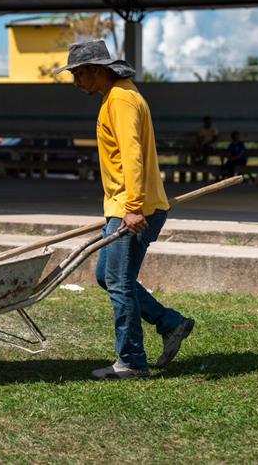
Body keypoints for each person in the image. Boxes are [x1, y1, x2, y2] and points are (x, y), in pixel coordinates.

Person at [54, 40, 194, 380]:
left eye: (79, 74)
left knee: (118, 281)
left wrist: (132, 208)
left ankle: (131, 361)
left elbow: (132, 154)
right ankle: (170, 323)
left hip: (133, 209)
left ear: (98, 70)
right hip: (125, 205)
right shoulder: (122, 95)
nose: (75, 81)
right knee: (108, 276)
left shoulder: (119, 99)